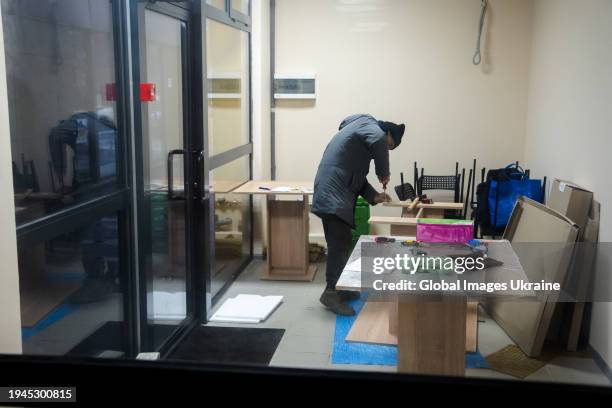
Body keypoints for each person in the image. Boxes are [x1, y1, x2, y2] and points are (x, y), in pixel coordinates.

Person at [312, 114, 405, 315]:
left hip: (331, 189)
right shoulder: (372, 128)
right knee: (339, 243)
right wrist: (384, 172)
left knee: (341, 242)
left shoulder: (359, 136)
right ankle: (331, 293)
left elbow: (357, 178)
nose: (387, 149)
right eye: (390, 146)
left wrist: (375, 196)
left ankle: (341, 288)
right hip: (333, 193)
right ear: (388, 133)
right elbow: (380, 141)